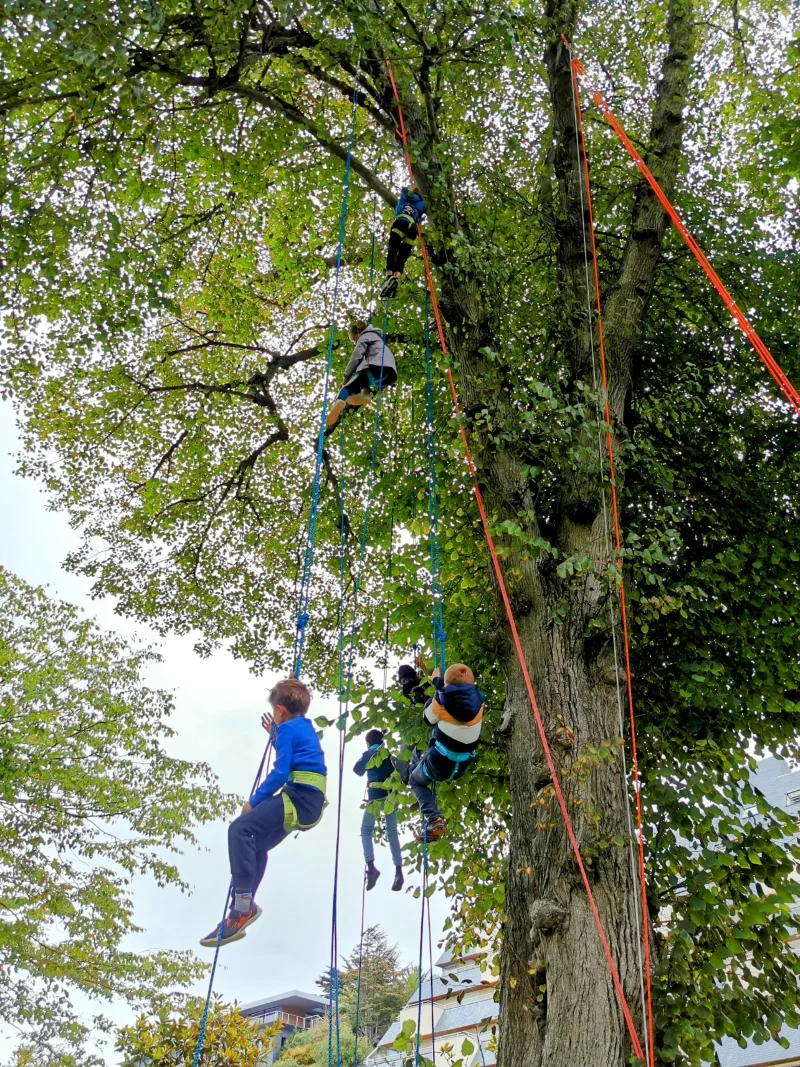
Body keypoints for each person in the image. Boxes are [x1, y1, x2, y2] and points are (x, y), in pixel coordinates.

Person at [200, 679, 327, 948]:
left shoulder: (288, 731)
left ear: (280, 710)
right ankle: (242, 910)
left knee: (240, 829)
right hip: (309, 800)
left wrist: (254, 802)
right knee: (254, 844)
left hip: (299, 797)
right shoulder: (303, 727)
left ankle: (242, 904)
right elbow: (296, 751)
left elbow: (281, 772)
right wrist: (274, 734)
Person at [398, 660, 485, 842]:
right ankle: (413, 766)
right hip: (462, 765)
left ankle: (434, 819)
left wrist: (433, 698)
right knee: (420, 760)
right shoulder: (480, 701)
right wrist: (437, 682)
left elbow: (427, 719)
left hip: (441, 763)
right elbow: (455, 692)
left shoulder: (440, 701)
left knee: (415, 781)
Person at [325, 318, 397, 432]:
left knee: (351, 382)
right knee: (363, 377)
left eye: (354, 340)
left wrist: (345, 377)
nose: (355, 342)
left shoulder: (365, 336)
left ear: (357, 333)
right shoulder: (377, 339)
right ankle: (365, 394)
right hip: (388, 374)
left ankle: (339, 400)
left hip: (377, 367)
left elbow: (356, 357)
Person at [353, 729, 404, 892]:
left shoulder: (370, 753)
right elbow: (403, 771)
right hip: (391, 798)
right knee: (392, 832)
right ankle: (398, 871)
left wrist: (368, 754)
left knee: (366, 830)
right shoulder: (389, 754)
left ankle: (371, 867)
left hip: (375, 798)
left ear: (368, 743)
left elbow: (357, 770)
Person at [379, 186, 426, 300]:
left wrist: (408, 191)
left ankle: (389, 275)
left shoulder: (407, 196)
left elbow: (404, 190)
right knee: (402, 257)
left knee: (393, 249)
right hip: (412, 229)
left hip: (402, 222)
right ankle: (396, 278)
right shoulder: (421, 205)